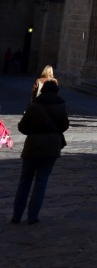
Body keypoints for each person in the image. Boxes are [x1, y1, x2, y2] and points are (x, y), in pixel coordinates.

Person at [11, 79, 69, 224]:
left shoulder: (34, 105)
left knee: (25, 181)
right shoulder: (61, 105)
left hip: (32, 146)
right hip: (51, 147)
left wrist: (34, 130)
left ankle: (16, 216)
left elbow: (23, 127)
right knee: (41, 181)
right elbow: (64, 125)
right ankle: (33, 216)